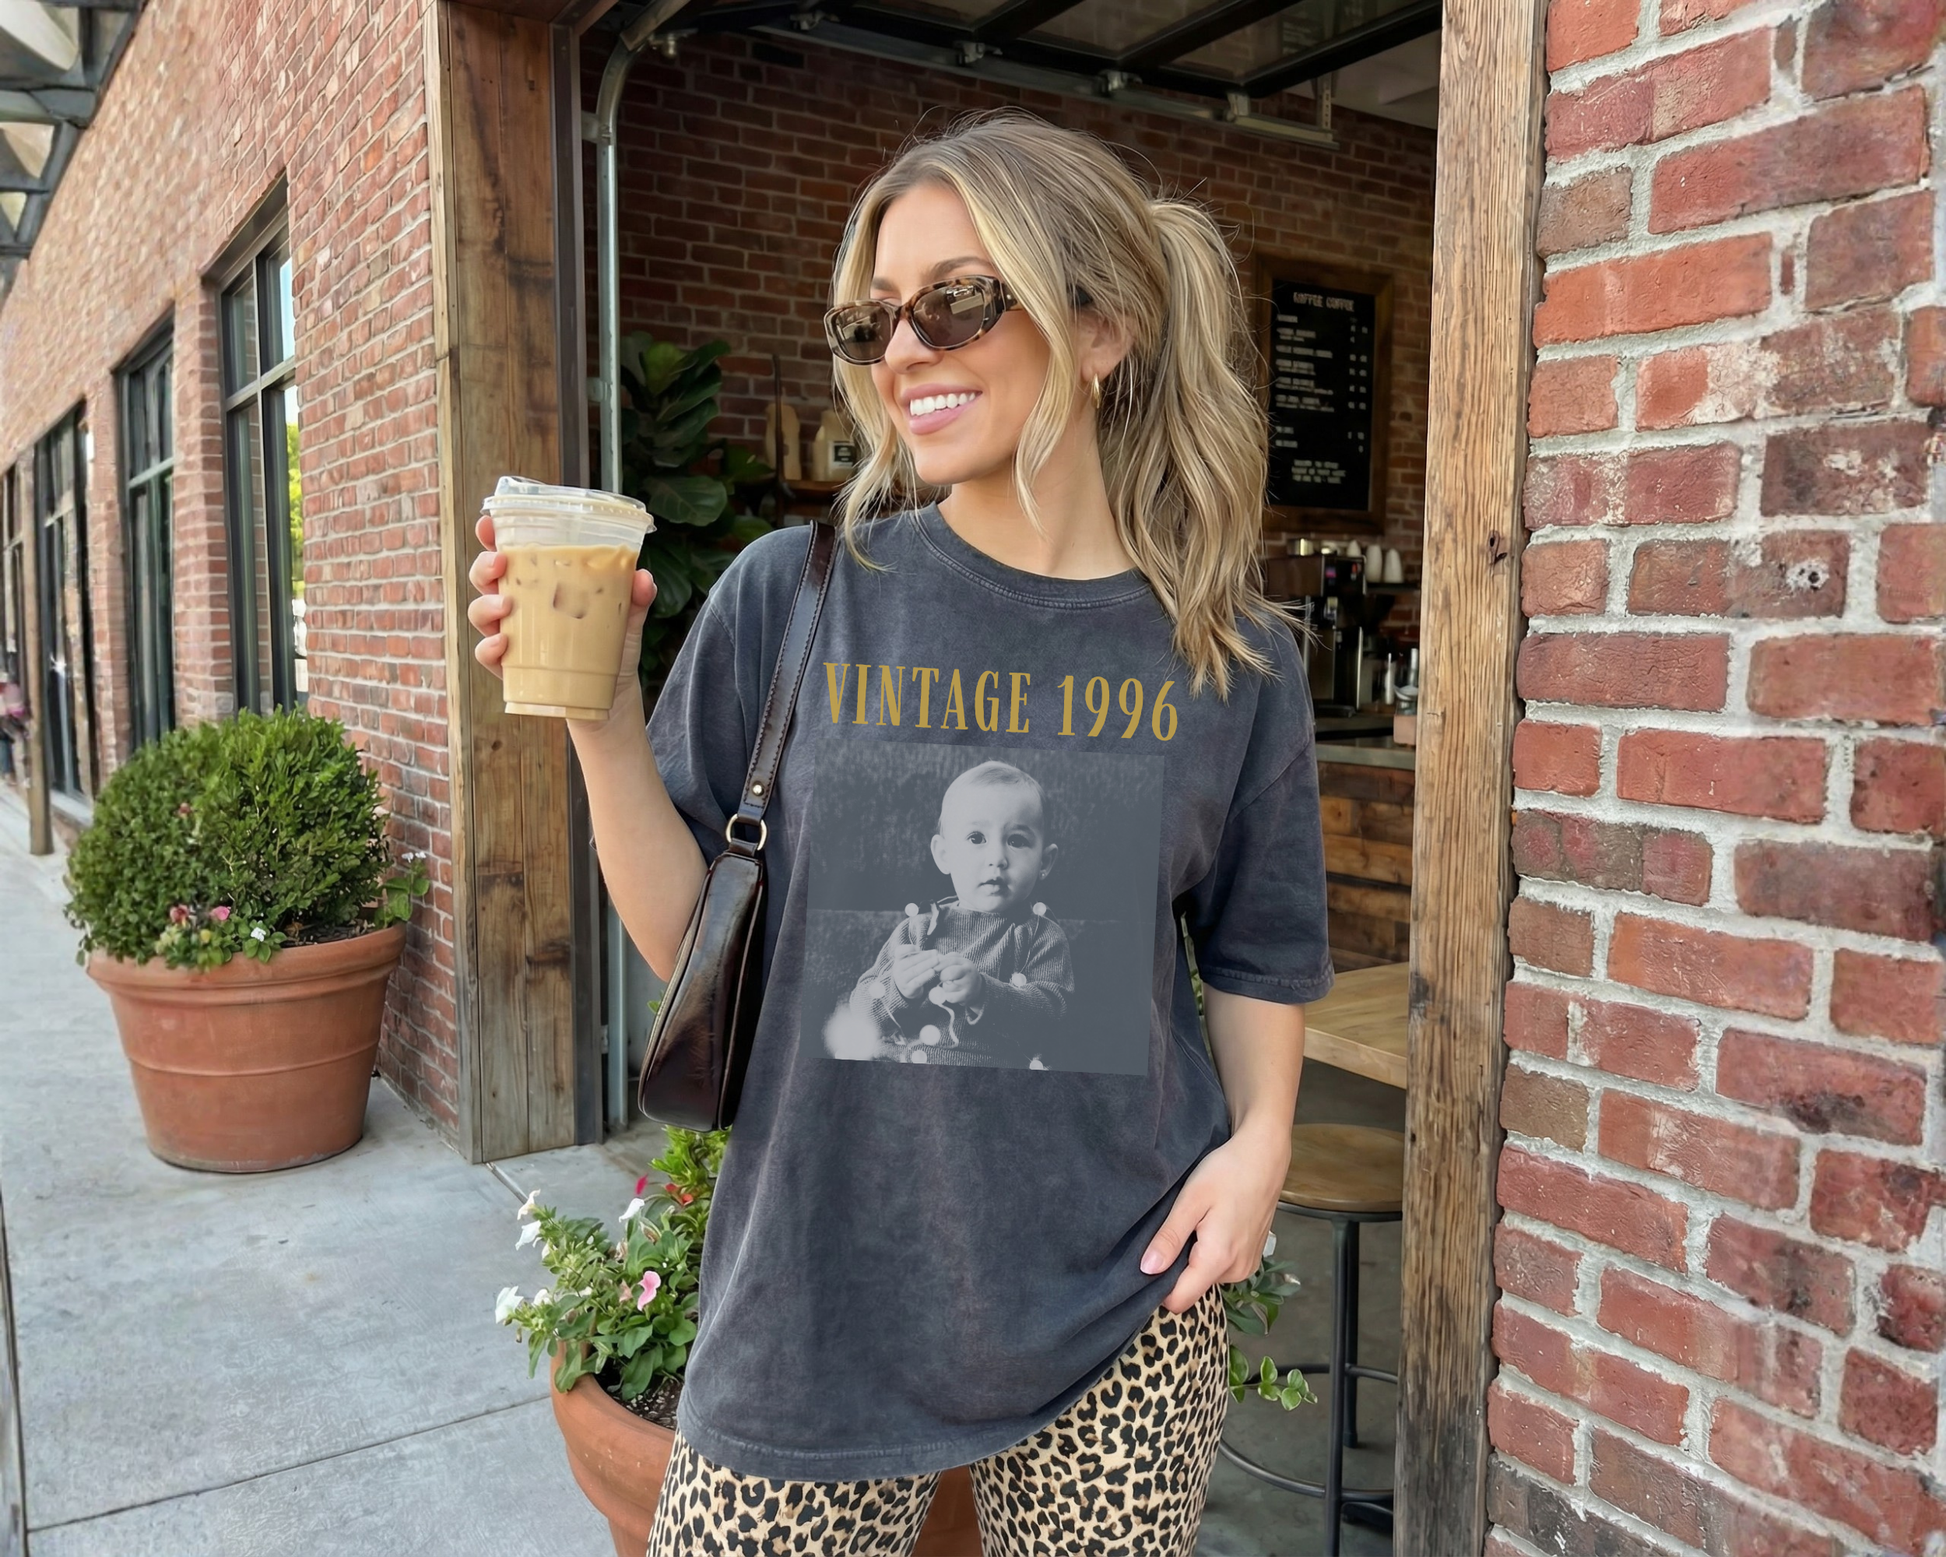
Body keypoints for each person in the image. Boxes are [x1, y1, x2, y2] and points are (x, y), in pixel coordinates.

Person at [468, 109, 1332, 1556]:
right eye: (874, 320)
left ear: (1100, 326)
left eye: (958, 301)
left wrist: (1260, 1153)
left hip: (1123, 1303)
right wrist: (603, 714)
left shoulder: (1226, 655)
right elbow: (687, 943)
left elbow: (1257, 949)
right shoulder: (796, 593)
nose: (905, 352)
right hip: (812, 1297)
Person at [841, 758, 1072, 1068]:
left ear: (1044, 862)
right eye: (976, 838)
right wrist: (897, 990)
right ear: (944, 854)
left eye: (1016, 840)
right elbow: (860, 1012)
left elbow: (1053, 1017)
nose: (997, 858)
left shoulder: (1040, 936)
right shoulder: (917, 930)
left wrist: (984, 993)